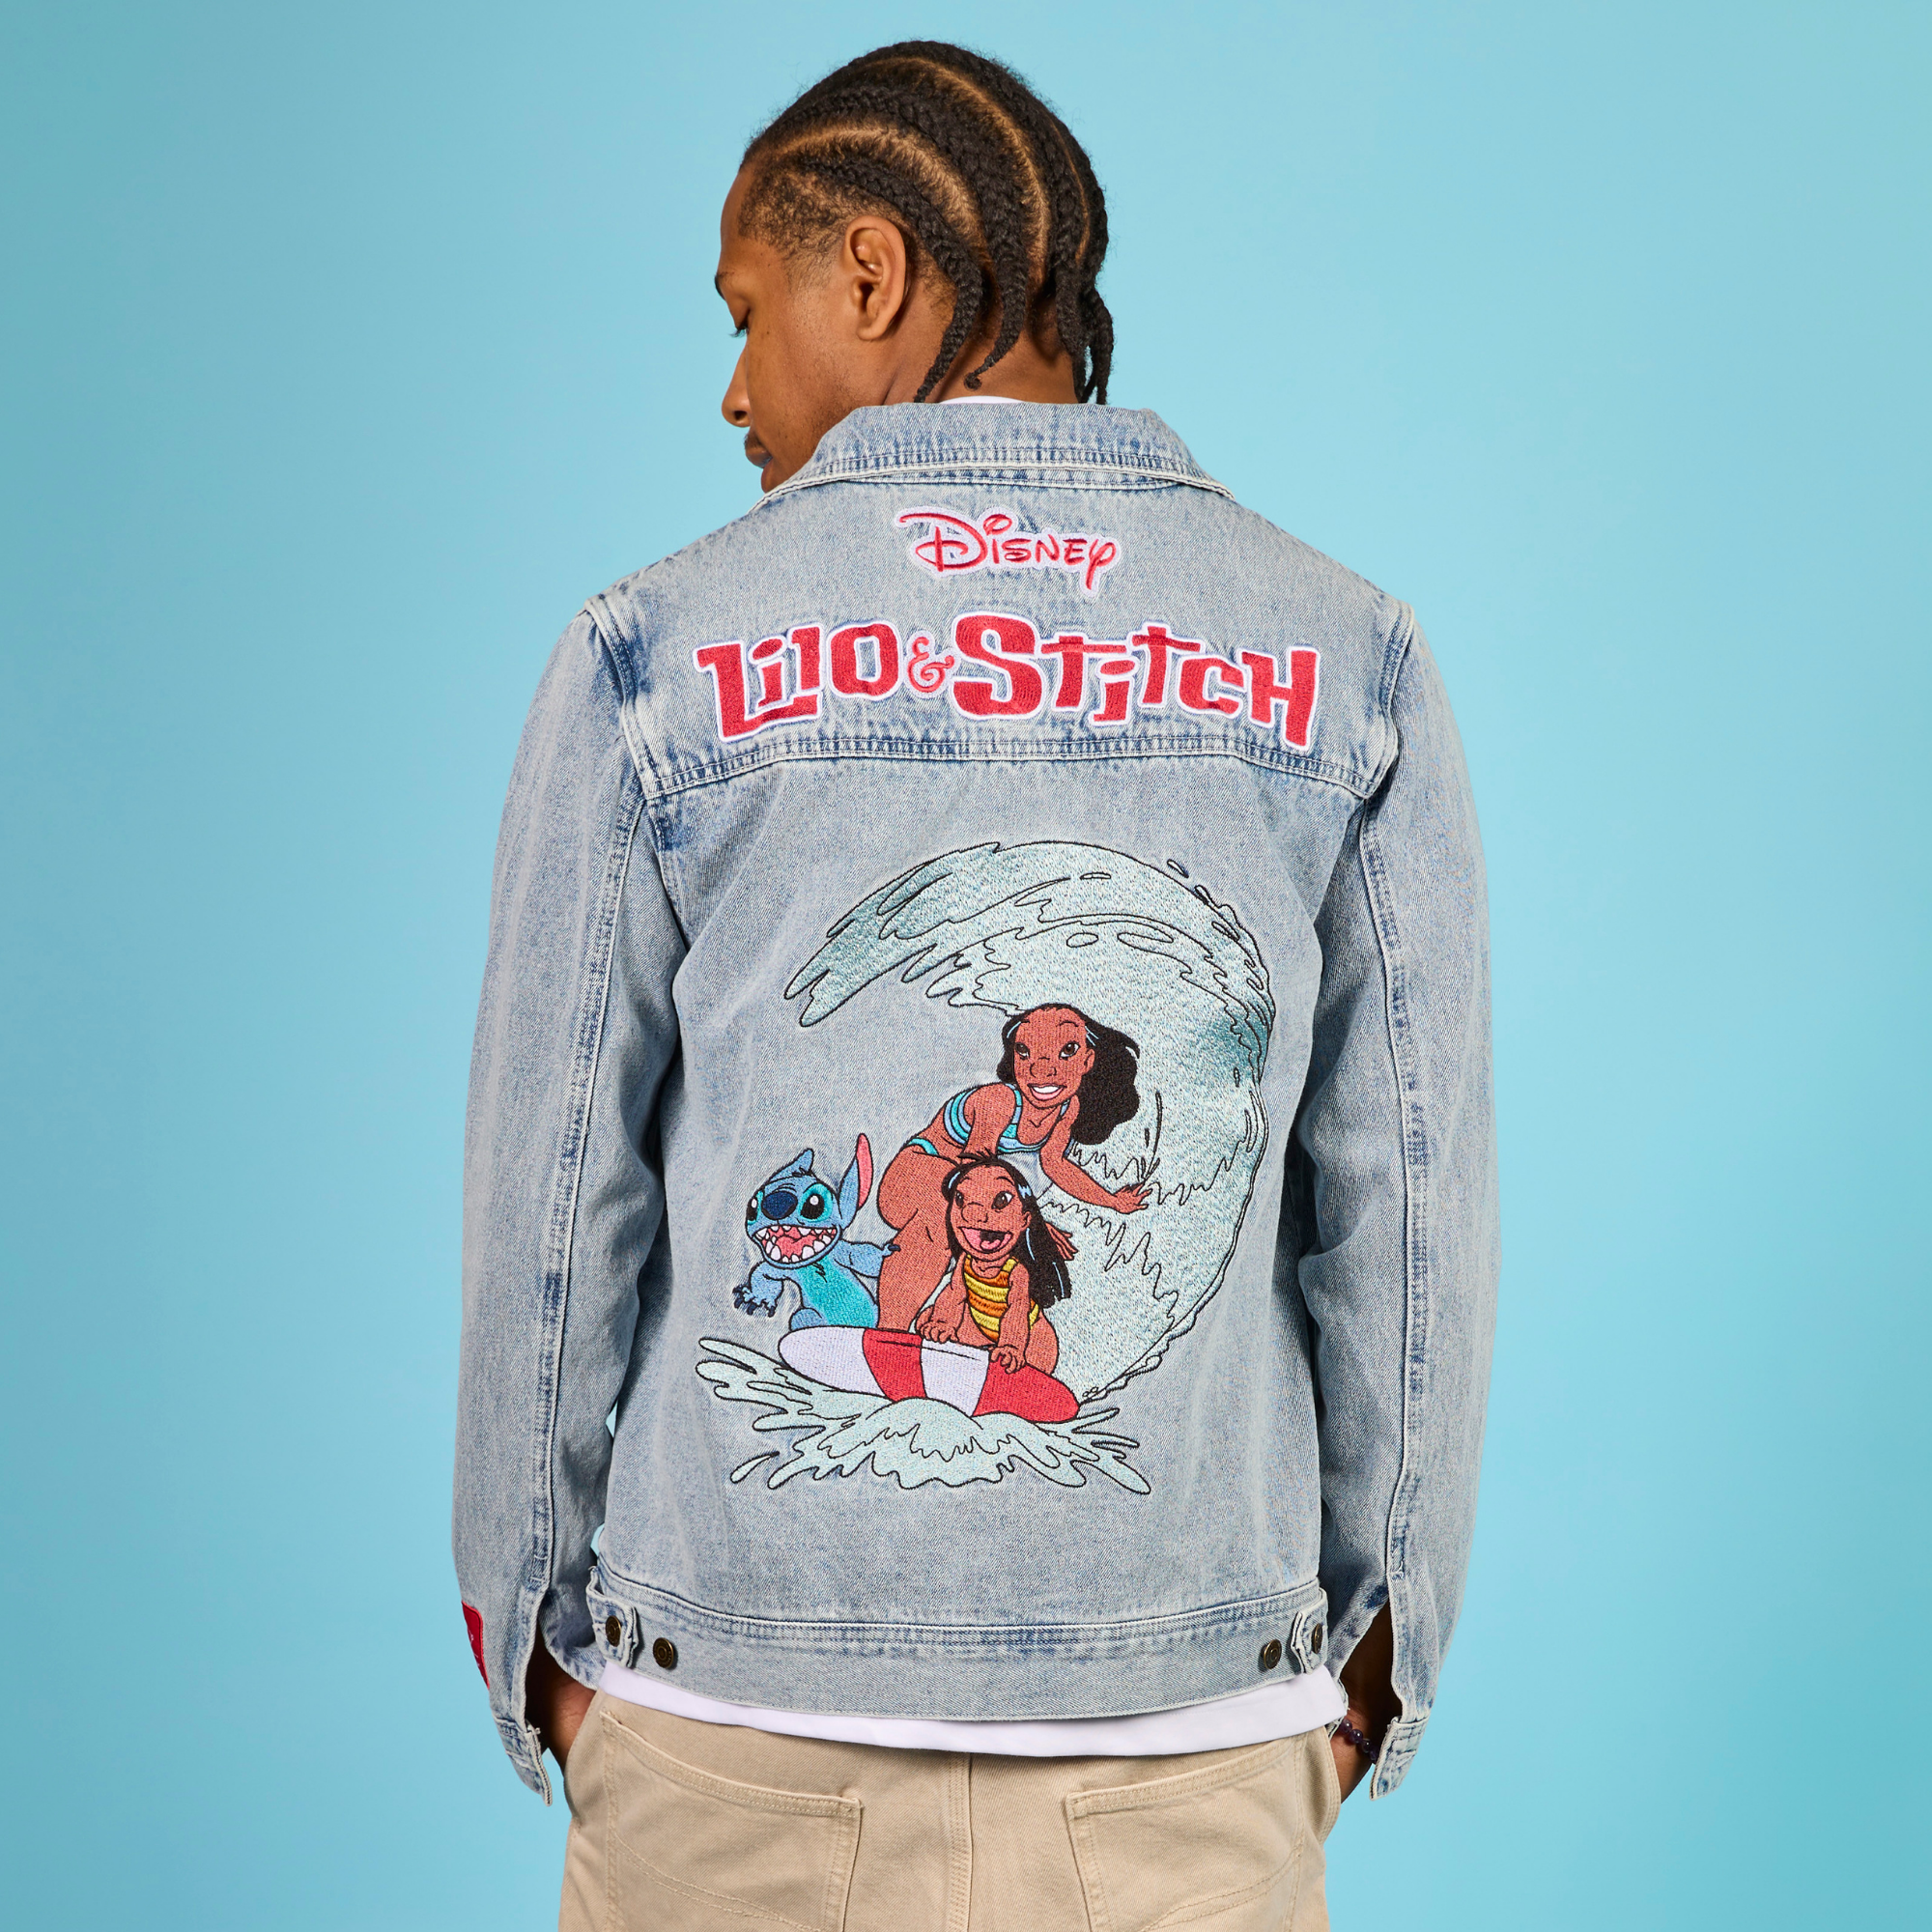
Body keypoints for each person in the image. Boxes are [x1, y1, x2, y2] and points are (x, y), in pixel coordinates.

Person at [455, 39, 1495, 1932]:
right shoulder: (1347, 658)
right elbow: (1409, 1215)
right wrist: (1369, 1664)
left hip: (731, 1754)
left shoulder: (653, 657)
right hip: (1181, 1775)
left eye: (746, 314)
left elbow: (550, 1194)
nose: (734, 388)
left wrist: (532, 1628)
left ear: (869, 273)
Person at [878, 1001, 1149, 1327]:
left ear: (1088, 1061)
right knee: (948, 1214)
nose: (1041, 1069)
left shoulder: (1068, 1108)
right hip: (915, 1174)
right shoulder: (1000, 1101)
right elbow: (974, 1175)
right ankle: (889, 1330)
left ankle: (939, 1321)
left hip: (968, 1190)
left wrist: (1113, 1201)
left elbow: (1055, 1165)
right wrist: (1028, 1224)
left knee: (993, 1253)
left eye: (1066, 1051)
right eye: (1025, 1052)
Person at [913, 1153, 1072, 1375]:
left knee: (1037, 1358)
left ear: (1025, 1219)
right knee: (927, 1320)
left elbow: (1017, 1311)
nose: (973, 1214)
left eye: (1000, 1201)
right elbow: (954, 1293)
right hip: (981, 1325)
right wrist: (943, 1322)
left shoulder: (1016, 1272)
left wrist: (1011, 1346)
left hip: (1026, 1336)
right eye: (960, 1199)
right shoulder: (966, 1261)